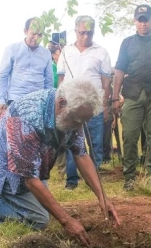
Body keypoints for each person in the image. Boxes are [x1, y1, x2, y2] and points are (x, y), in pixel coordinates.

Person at [0, 79, 120, 247]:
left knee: (45, 205)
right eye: (77, 121)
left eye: (83, 122)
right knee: (39, 219)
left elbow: (81, 154)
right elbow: (30, 180)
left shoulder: (73, 113)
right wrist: (66, 221)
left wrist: (102, 197)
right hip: (2, 166)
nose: (79, 127)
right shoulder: (28, 117)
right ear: (61, 103)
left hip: (32, 163)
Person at [112, 4, 151, 190]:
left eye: (146, 20)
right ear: (135, 21)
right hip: (132, 93)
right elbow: (119, 70)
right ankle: (129, 177)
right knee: (130, 135)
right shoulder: (127, 43)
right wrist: (115, 98)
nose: (143, 24)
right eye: (140, 21)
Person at [57, 15, 112, 189]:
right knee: (71, 143)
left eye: (89, 33)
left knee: (95, 142)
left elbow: (106, 82)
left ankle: (92, 180)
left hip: (93, 107)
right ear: (75, 31)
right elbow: (61, 79)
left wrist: (105, 105)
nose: (86, 36)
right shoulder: (66, 51)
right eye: (82, 32)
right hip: (71, 108)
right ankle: (71, 181)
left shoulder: (101, 52)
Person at [0, 17, 54, 114]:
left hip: (38, 102)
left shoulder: (46, 53)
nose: (36, 38)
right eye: (33, 33)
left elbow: (49, 80)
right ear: (25, 31)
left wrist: (49, 102)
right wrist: (1, 100)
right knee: (16, 129)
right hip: (16, 100)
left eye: (40, 34)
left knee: (35, 130)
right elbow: (3, 76)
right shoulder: (12, 49)